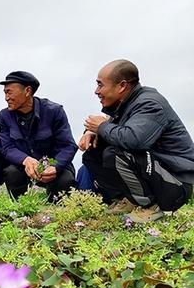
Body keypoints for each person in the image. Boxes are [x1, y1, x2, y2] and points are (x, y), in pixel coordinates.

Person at [81, 59, 194, 222]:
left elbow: (134, 140)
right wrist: (92, 132)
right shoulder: (127, 104)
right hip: (158, 176)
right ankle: (126, 200)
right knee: (94, 151)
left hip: (176, 184)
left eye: (100, 85)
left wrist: (102, 127)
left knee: (117, 152)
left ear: (122, 86)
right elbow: (109, 125)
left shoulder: (149, 103)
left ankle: (149, 207)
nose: (96, 91)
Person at [0, 71, 78, 201]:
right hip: (23, 167)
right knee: (11, 173)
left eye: (9, 92)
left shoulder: (54, 111)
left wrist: (55, 167)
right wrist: (26, 160)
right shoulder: (4, 116)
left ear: (28, 91)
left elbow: (68, 146)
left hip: (54, 165)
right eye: (5, 93)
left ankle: (57, 212)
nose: (6, 98)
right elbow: (6, 147)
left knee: (65, 181)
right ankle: (19, 211)